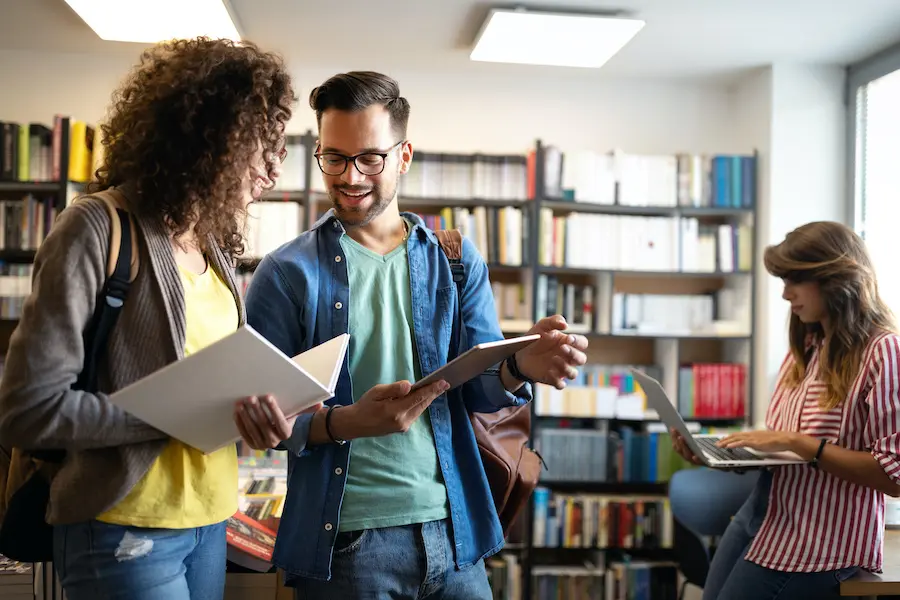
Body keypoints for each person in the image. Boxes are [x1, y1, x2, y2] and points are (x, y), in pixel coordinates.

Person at [234, 70, 589, 599]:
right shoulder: (286, 274)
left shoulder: (456, 259)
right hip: (345, 549)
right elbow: (263, 421)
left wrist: (520, 367)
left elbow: (479, 390)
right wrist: (349, 422)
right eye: (334, 157)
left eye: (369, 158)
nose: (350, 176)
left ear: (403, 156)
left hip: (455, 535)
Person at [0, 38, 295, 600]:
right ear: (207, 139)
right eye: (260, 147)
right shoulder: (95, 227)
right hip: (122, 527)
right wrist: (178, 415)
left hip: (210, 522)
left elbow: (211, 388)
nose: (272, 170)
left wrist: (255, 416)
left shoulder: (211, 245)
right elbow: (28, 411)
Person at [671, 220, 900, 600]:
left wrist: (798, 442)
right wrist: (722, 455)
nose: (785, 294)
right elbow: (783, 452)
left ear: (834, 278)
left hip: (820, 541)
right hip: (762, 515)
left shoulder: (883, 351)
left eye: (794, 280)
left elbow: (894, 475)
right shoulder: (807, 346)